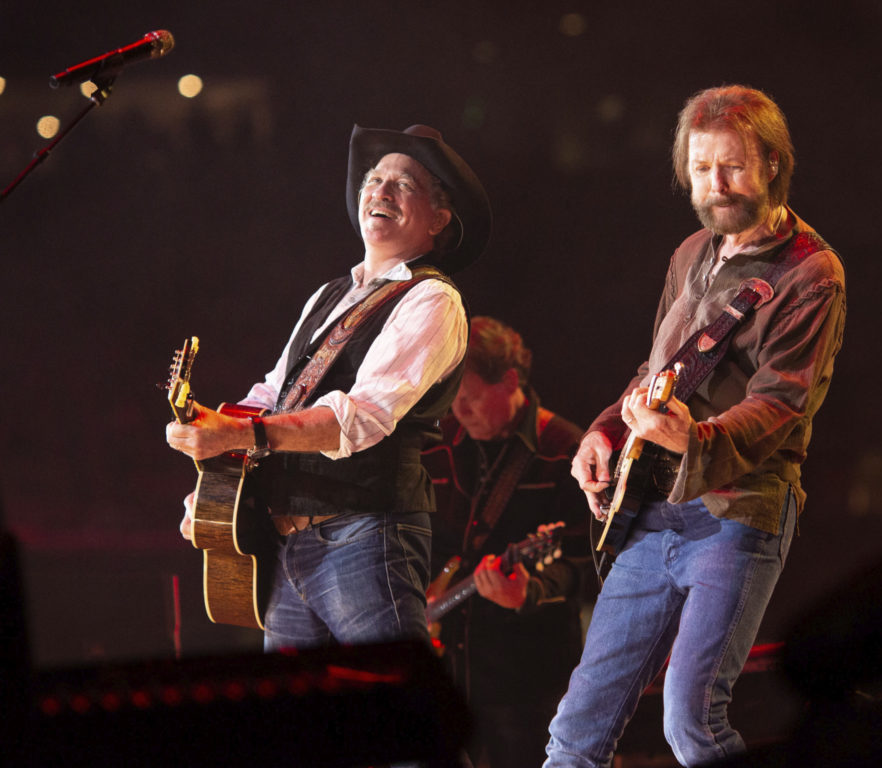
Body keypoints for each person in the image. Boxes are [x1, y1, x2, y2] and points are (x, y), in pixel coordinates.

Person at [544, 85, 847, 767]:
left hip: (737, 514)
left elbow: (781, 404)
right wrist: (605, 432)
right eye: (703, 168)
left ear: (772, 163)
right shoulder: (689, 254)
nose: (717, 184)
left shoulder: (812, 271)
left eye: (734, 166)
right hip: (653, 513)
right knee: (574, 731)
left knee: (693, 723)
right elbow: (656, 371)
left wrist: (695, 439)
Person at [166, 124, 491, 652]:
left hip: (365, 535)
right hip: (287, 540)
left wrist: (240, 433)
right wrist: (215, 468)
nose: (380, 190)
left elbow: (360, 418)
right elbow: (275, 393)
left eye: (404, 184)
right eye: (374, 178)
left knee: (395, 718)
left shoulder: (432, 298)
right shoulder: (330, 293)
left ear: (438, 220)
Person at [421, 316, 590, 768]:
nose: (460, 413)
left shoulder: (566, 450)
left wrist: (527, 591)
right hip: (449, 672)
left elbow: (585, 565)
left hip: (527, 676)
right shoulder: (438, 444)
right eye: (452, 401)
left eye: (472, 398)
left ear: (510, 381)